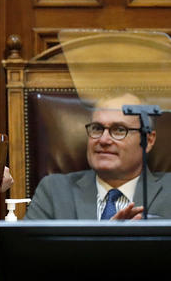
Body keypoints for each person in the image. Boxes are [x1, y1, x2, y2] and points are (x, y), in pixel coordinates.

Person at [25, 92, 171, 220]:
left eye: (119, 130)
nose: (103, 140)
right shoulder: (54, 191)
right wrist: (106, 245)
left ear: (148, 140)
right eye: (97, 128)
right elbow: (27, 251)